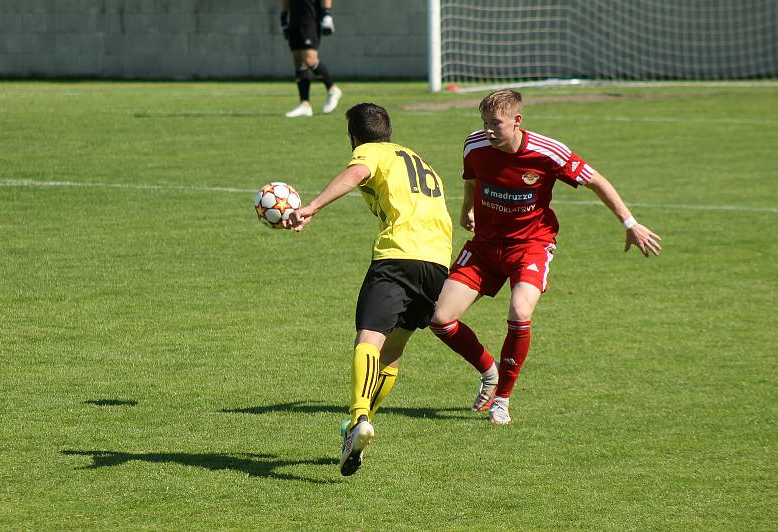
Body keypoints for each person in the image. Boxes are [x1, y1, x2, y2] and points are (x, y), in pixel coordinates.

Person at [429, 89, 662, 425]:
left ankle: (502, 401)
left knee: (520, 311)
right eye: (484, 123)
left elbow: (596, 180)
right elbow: (473, 179)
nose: (488, 130)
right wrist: (467, 210)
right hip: (485, 246)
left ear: (517, 121)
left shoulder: (548, 152)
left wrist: (630, 223)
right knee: (440, 319)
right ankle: (489, 371)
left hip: (530, 246)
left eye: (496, 123)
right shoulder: (476, 144)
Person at [286, 103, 453, 475]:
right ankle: (356, 430)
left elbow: (357, 172)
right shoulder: (417, 159)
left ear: (354, 138)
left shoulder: (369, 152)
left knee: (369, 339)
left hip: (397, 256)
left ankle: (360, 416)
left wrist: (313, 206)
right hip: (437, 263)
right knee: (393, 352)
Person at [280, 0, 342, 118]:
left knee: (309, 59)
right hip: (294, 17)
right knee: (298, 59)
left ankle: (332, 89)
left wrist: (327, 13)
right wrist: (283, 15)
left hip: (311, 17)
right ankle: (305, 105)